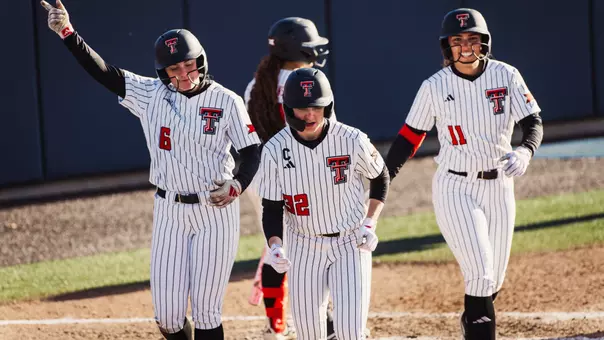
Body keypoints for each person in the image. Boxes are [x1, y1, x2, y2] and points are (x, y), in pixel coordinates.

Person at [41, 1, 261, 339]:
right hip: (169, 210)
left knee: (206, 312)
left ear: (200, 61)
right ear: (164, 73)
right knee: (168, 316)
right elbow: (105, 73)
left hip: (214, 211)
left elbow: (251, 151)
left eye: (188, 65)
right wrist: (68, 33)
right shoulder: (152, 94)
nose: (183, 75)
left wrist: (236, 185)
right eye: (173, 69)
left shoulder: (226, 101)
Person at [384, 8, 543, 340]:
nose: (465, 46)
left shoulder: (506, 75)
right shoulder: (434, 86)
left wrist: (526, 150)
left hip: (499, 185)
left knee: (492, 281)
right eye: (457, 41)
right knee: (481, 275)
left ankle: (472, 316)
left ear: (484, 42)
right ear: (447, 46)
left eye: (472, 39)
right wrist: (381, 181)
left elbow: (533, 122)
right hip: (455, 186)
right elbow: (409, 138)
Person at [258, 67, 389, 340]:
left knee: (350, 332)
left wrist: (370, 222)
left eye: (317, 107)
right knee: (309, 334)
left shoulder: (352, 139)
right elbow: (271, 208)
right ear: (288, 108)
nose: (311, 115)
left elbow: (380, 177)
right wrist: (275, 246)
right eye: (303, 108)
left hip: (350, 244)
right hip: (303, 246)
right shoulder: (273, 150)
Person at [243, 17, 336, 340]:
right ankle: (324, 317)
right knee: (318, 243)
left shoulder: (256, 84)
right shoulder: (310, 79)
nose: (314, 49)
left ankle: (275, 325)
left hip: (263, 177)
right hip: (304, 173)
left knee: (276, 248)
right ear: (293, 46)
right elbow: (327, 133)